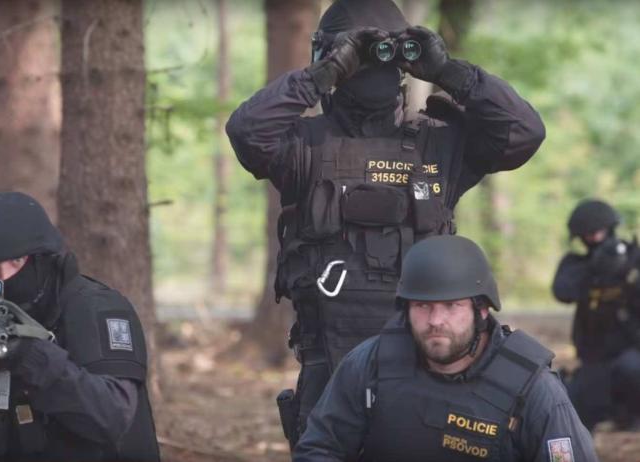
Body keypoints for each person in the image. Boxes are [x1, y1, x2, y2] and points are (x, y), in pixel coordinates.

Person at [226, 0, 545, 444]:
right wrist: (322, 75)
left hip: (429, 363)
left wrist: (450, 71)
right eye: (354, 54)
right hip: (331, 364)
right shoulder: (304, 147)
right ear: (328, 56)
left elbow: (524, 133)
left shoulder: (438, 142)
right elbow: (246, 132)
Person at [0, 192, 160, 462]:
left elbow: (113, 417)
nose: (4, 277)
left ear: (40, 256)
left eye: (16, 261)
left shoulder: (91, 308)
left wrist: (30, 356)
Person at [294, 235, 598, 462]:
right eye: (423, 306)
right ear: (406, 309)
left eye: (452, 306)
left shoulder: (532, 387)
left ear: (481, 310)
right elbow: (320, 450)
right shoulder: (371, 364)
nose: (436, 320)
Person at [552, 199, 640, 430]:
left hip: (632, 353)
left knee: (632, 369)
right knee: (569, 402)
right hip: (594, 360)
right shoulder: (576, 264)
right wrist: (593, 270)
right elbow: (562, 291)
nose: (593, 239)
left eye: (597, 232)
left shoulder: (633, 258)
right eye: (587, 235)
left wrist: (626, 273)